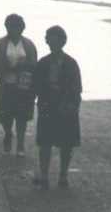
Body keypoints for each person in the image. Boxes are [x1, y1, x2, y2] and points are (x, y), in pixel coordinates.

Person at [32, 25, 82, 189]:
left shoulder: (71, 63)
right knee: (45, 144)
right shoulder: (43, 63)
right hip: (48, 107)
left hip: (65, 108)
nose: (51, 41)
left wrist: (71, 105)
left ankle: (63, 175)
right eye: (49, 38)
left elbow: (77, 88)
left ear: (62, 41)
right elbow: (36, 86)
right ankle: (45, 175)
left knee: (66, 145)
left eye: (54, 38)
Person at [0, 14, 38, 155]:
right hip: (6, 84)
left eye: (15, 27)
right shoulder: (1, 43)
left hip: (24, 86)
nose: (12, 30)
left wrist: (24, 67)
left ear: (21, 28)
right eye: (9, 26)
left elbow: (34, 64)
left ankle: (21, 144)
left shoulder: (28, 44)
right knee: (6, 115)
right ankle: (8, 133)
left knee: (22, 116)